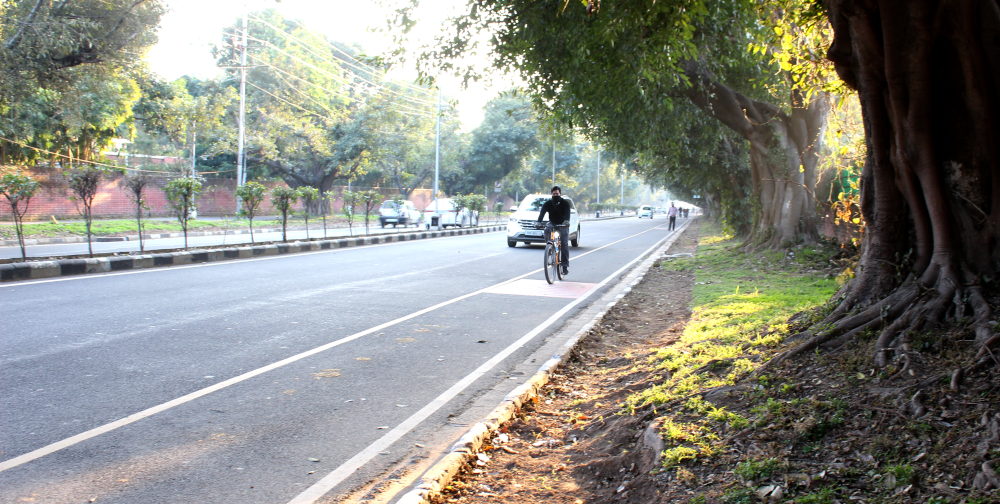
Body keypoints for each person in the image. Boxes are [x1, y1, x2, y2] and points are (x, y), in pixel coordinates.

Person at [538, 186, 571, 275]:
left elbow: (567, 214)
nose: (555, 195)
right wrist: (539, 222)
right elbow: (542, 213)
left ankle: (564, 266)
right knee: (546, 230)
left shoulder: (565, 203)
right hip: (552, 223)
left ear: (560, 193)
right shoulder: (548, 203)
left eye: (557, 193)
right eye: (554, 194)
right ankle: (550, 247)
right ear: (551, 194)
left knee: (564, 244)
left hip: (563, 224)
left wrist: (566, 221)